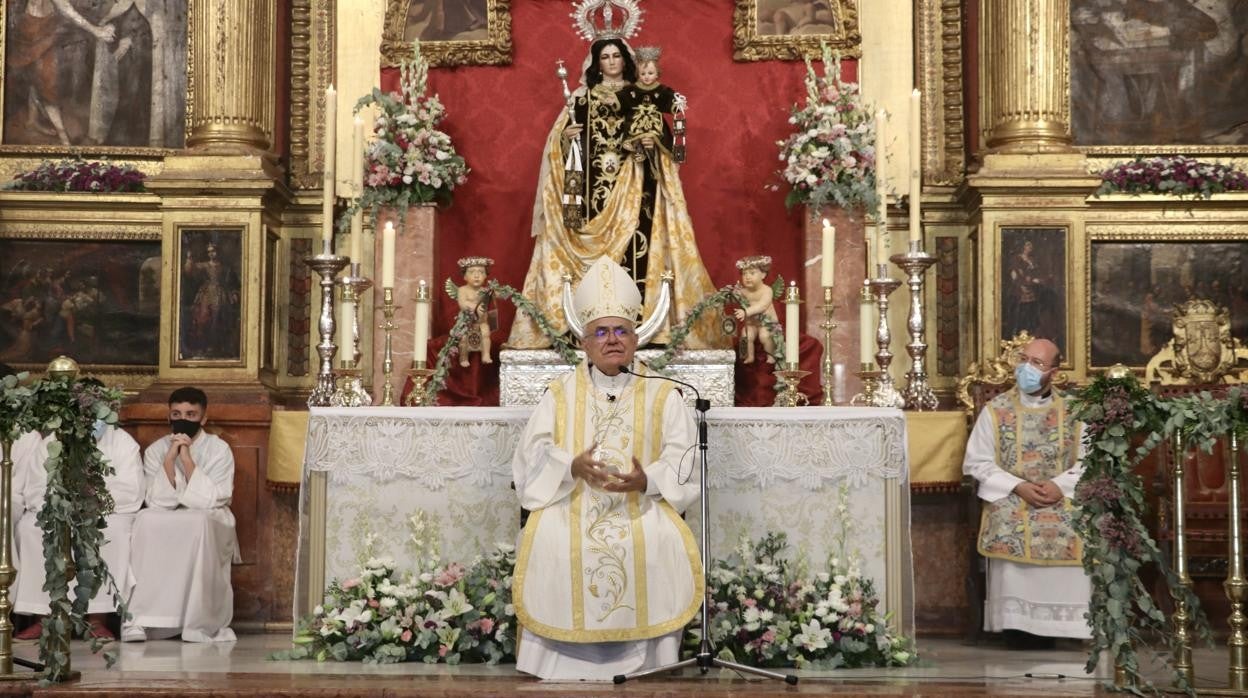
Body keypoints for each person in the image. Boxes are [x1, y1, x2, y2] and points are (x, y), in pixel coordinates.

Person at [511, 256, 703, 680]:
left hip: (641, 504)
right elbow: (532, 454)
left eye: (621, 330)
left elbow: (685, 457)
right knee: (556, 541)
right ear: (585, 342)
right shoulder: (559, 393)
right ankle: (560, 663)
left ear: (636, 338)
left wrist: (648, 479)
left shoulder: (665, 393)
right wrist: (570, 466)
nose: (612, 339)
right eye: (601, 331)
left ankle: (649, 660)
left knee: (655, 540)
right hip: (571, 502)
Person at [509, 38, 721, 351]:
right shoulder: (580, 99)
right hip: (587, 197)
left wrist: (653, 146)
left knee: (637, 252)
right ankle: (582, 330)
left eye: (616, 56)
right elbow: (556, 150)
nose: (611, 62)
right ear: (596, 63)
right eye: (605, 57)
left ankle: (638, 328)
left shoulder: (641, 96)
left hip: (635, 192)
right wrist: (565, 140)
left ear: (626, 60)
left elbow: (667, 141)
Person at [963, 338, 1091, 645]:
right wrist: (1017, 485)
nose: (1026, 368)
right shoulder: (996, 411)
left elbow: (1092, 461)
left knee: (1076, 523)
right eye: (1024, 359)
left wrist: (1060, 486)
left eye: (1037, 363)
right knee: (1007, 520)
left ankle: (1069, 627)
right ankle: (1016, 625)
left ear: (1055, 373)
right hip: (1012, 495)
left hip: (1061, 496)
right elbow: (976, 462)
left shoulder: (1076, 412)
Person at [12, 411, 143, 641]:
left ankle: (96, 619)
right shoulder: (53, 441)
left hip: (105, 511)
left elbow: (131, 490)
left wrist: (91, 502)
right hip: (59, 508)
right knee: (30, 528)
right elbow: (34, 486)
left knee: (112, 533)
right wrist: (63, 502)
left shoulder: (122, 442)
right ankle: (45, 617)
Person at [125, 386, 239, 642]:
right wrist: (169, 460)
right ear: (169, 416)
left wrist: (186, 459)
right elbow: (155, 499)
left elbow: (215, 497)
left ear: (203, 418)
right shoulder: (157, 449)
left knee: (197, 521)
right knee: (144, 520)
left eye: (190, 414)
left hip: (211, 515)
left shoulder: (218, 449)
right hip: (169, 512)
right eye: (176, 413)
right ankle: (141, 618)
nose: (183, 420)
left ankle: (196, 621)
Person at [732, 255, 779, 365]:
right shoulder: (744, 291)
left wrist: (746, 312)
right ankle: (749, 356)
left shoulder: (767, 290)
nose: (747, 277)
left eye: (752, 273)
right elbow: (732, 297)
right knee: (745, 334)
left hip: (766, 323)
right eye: (744, 274)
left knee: (764, 336)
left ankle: (771, 355)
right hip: (752, 323)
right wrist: (723, 296)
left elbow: (762, 306)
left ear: (763, 275)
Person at [455, 256, 494, 367]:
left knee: (486, 334)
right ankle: (463, 357)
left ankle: (486, 354)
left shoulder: (485, 291)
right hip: (466, 322)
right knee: (463, 338)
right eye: (472, 272)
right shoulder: (462, 290)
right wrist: (474, 307)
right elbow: (462, 304)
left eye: (481, 272)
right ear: (465, 276)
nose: (477, 276)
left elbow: (494, 298)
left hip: (481, 321)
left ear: (485, 276)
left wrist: (500, 292)